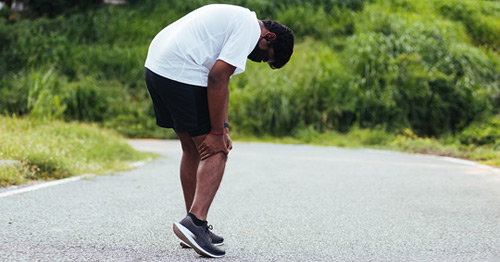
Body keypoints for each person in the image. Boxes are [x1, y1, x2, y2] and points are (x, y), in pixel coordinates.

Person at [144, 4, 294, 258]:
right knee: (216, 152)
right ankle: (195, 223)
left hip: (158, 68)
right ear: (269, 37)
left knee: (192, 148)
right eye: (266, 55)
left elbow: (219, 87)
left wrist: (222, 127)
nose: (258, 59)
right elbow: (217, 78)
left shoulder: (237, 21)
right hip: (181, 71)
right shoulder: (248, 29)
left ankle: (190, 225)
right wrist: (217, 136)